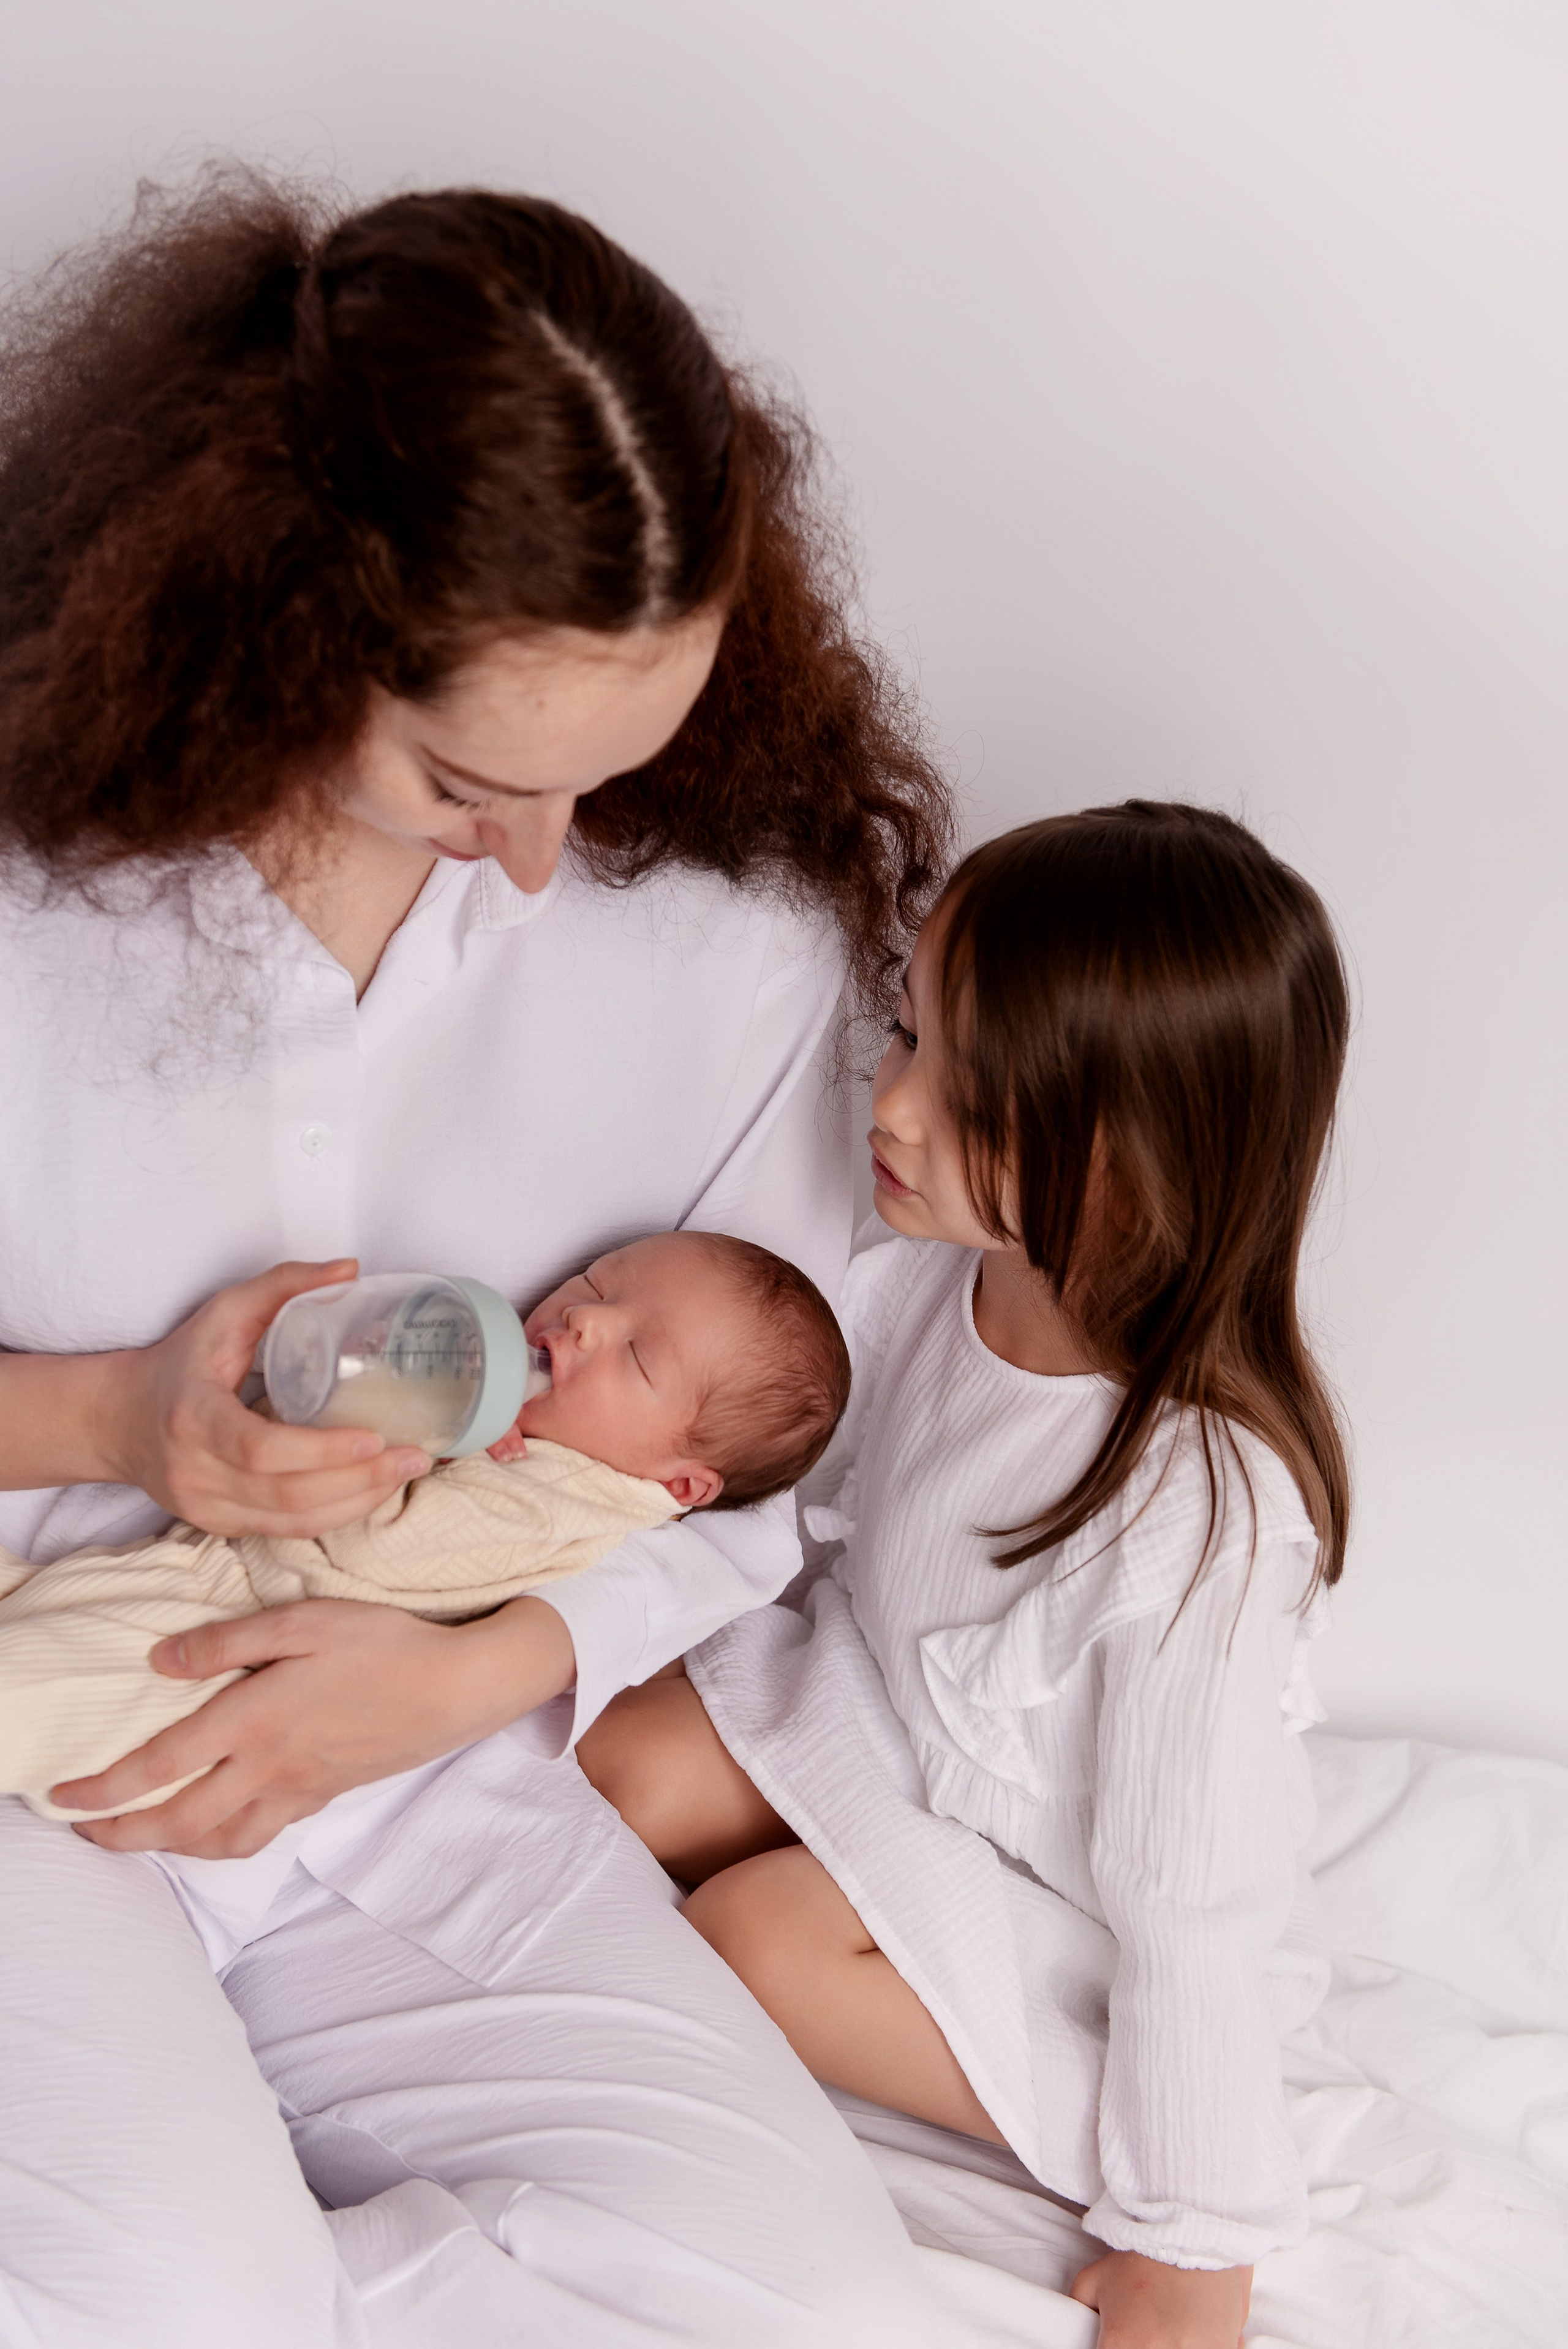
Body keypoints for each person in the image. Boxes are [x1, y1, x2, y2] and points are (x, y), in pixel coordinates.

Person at [0, 171, 950, 2347]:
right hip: (43, 1720)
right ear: (262, 615)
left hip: (419, 1759)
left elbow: (741, 1481)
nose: (543, 866)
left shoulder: (724, 929)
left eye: (606, 773)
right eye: (467, 779)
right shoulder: (36, 899)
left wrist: (472, 1667)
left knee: (812, 2297)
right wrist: (112, 1415)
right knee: (179, 2296)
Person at [581, 803, 1352, 2349]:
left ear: (1135, 1161)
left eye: (975, 1093)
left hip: (1065, 1910)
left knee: (759, 1941)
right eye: (906, 1032)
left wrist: (1190, 2249)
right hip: (887, 1733)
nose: (898, 1104)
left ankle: (1111, 2138)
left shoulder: (1196, 1525)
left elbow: (1183, 1904)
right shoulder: (940, 1278)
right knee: (613, 1762)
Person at [1, 1231, 850, 1818]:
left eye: (637, 1357)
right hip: (191, 1579)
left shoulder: (561, 1501)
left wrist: (444, 1433)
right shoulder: (552, 1443)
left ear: (683, 1482)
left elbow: (381, 1548)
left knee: (31, 1691)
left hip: (229, 1657)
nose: (587, 1319)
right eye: (598, 1282)